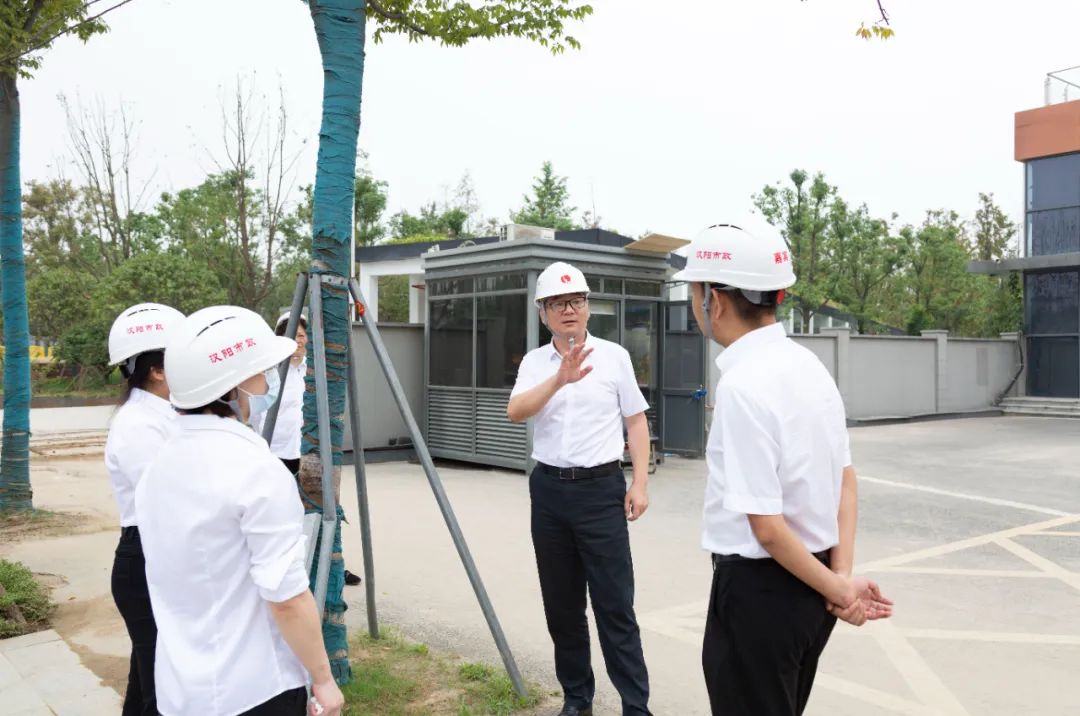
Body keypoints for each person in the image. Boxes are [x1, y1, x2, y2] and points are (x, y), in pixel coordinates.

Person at [673, 223, 893, 716]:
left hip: (760, 594)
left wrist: (840, 590)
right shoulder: (809, 365)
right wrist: (839, 579)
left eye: (694, 293)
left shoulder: (742, 386)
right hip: (811, 590)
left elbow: (767, 529)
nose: (693, 305)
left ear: (715, 301)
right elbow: (846, 479)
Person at [134, 305, 345, 716]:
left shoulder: (158, 464)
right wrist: (323, 679)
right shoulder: (255, 469)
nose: (268, 381)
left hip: (181, 690)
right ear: (233, 386)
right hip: (254, 689)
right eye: (262, 371)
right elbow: (286, 597)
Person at [507, 262, 653, 716]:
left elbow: (636, 421)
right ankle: (577, 698)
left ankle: (635, 706)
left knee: (615, 605)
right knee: (562, 607)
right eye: (557, 303)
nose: (568, 310)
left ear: (588, 307)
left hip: (600, 491)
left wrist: (640, 483)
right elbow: (516, 412)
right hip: (549, 492)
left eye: (576, 301)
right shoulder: (534, 363)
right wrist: (559, 379)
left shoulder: (614, 357)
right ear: (543, 313)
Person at [104, 302, 186, 716]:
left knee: (145, 680)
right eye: (181, 360)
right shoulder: (138, 424)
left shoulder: (165, 414)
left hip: (158, 552)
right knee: (161, 684)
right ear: (157, 371)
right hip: (144, 559)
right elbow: (168, 496)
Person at [253, 312, 360, 587]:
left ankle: (328, 565)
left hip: (310, 454)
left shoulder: (315, 371)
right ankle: (283, 567)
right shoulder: (270, 375)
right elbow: (256, 416)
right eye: (292, 336)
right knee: (280, 512)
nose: (298, 341)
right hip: (277, 453)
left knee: (319, 509)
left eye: (302, 336)